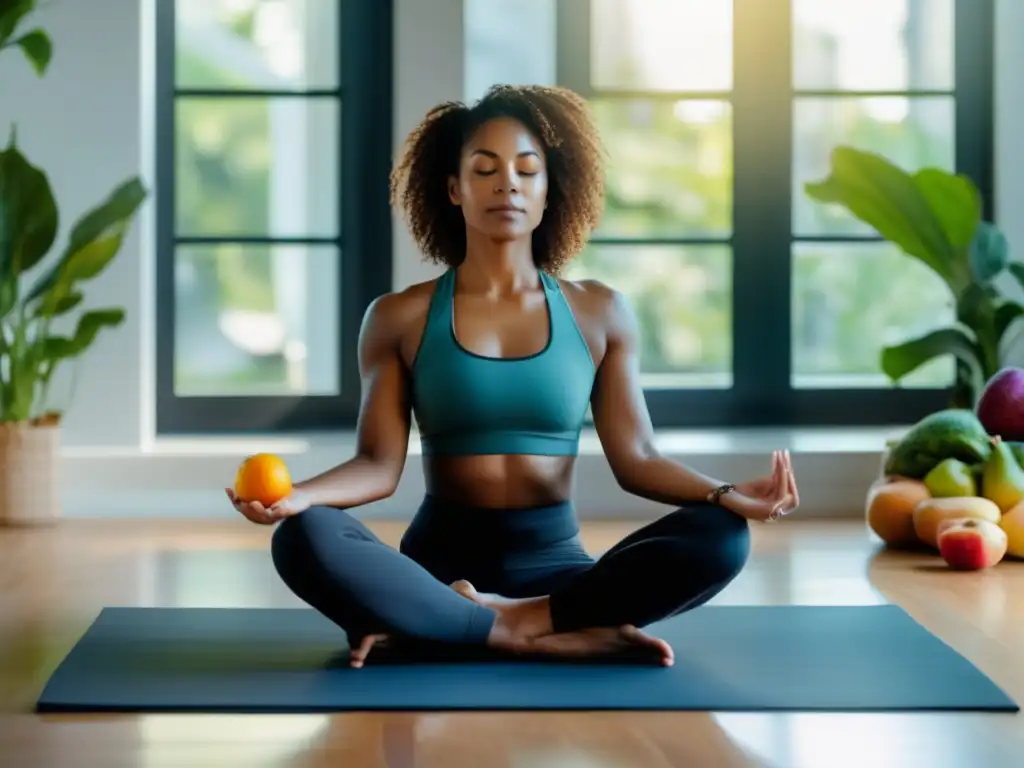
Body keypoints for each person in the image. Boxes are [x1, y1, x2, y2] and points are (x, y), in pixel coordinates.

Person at [225, 84, 800, 668]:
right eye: (485, 169)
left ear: (550, 193)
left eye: (528, 171)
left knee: (723, 535)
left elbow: (639, 459)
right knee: (303, 537)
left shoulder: (599, 312)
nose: (508, 184)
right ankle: (534, 630)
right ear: (454, 189)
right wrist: (298, 498)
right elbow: (377, 465)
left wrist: (725, 493)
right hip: (434, 570)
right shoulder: (398, 316)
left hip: (556, 571)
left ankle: (485, 622)